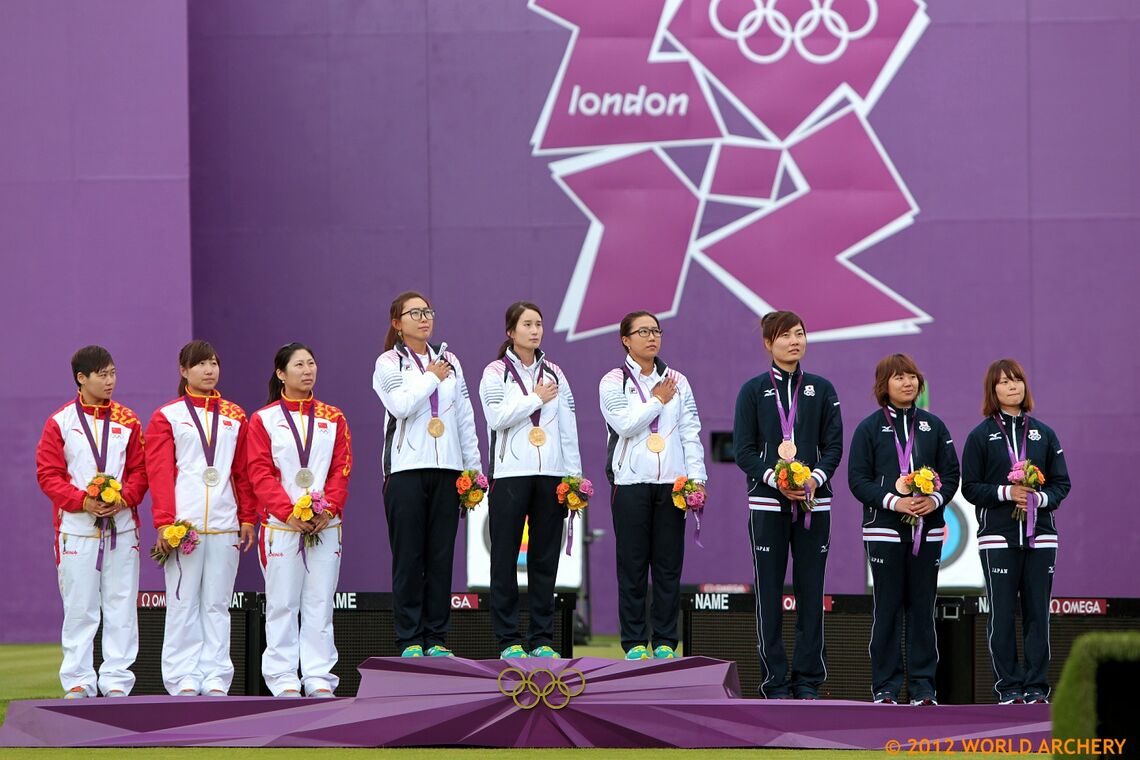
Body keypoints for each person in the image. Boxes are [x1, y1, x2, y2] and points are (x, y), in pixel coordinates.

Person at [733, 310, 842, 699]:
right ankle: (774, 681)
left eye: (800, 333)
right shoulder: (752, 390)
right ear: (768, 344)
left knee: (812, 593)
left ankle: (808, 681)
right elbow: (743, 450)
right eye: (785, 336)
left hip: (814, 504)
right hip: (767, 504)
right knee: (769, 594)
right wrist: (775, 479)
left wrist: (812, 479)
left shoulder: (822, 389)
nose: (794, 341)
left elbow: (833, 448)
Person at [372, 291, 481, 657]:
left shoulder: (451, 361)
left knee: (440, 557)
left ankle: (435, 638)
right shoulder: (388, 363)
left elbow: (464, 417)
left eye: (428, 312)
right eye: (415, 313)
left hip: (448, 470)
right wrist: (431, 377)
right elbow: (400, 406)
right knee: (409, 558)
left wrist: (474, 471)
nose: (424, 319)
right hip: (405, 471)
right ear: (397, 322)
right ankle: (408, 640)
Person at [35, 345, 148, 699]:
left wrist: (123, 498)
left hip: (122, 526)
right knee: (80, 606)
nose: (110, 381)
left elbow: (140, 473)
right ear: (81, 379)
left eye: (113, 373)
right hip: (76, 529)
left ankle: (117, 679)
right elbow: (48, 474)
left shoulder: (128, 420)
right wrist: (83, 501)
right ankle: (79, 680)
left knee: (121, 603)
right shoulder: (61, 422)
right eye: (102, 374)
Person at [146, 339, 256, 696]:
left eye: (213, 363)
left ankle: (215, 678)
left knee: (217, 604)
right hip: (184, 526)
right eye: (200, 365)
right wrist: (164, 521)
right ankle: (183, 679)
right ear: (184, 371)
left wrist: (248, 517)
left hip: (225, 525)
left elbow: (242, 472)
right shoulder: (168, 416)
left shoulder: (236, 415)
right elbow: (160, 472)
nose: (209, 370)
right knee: (182, 603)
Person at [848, 354, 959, 705]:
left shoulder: (934, 426)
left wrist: (935, 500)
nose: (908, 383)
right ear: (884, 385)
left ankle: (924, 689)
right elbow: (857, 480)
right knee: (888, 608)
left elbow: (952, 475)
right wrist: (893, 501)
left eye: (912, 376)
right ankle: (886, 688)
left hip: (926, 530)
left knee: (923, 609)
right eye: (899, 377)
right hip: (884, 530)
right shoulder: (869, 427)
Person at [599, 311, 707, 661]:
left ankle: (664, 641)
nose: (651, 337)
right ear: (625, 339)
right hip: (630, 483)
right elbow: (627, 425)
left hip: (672, 485)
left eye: (656, 331)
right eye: (642, 331)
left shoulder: (679, 380)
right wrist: (657, 399)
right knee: (632, 566)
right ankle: (633, 643)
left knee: (667, 565)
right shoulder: (613, 381)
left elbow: (691, 431)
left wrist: (697, 478)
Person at [962, 359, 1070, 705]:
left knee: (1038, 613)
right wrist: (1006, 493)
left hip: (1041, 536)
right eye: (1005, 382)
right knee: (1002, 613)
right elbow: (970, 488)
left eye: (1018, 380)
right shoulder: (981, 436)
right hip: (998, 537)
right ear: (992, 391)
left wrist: (1039, 498)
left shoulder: (1043, 433)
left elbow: (1062, 483)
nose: (1013, 387)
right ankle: (1009, 689)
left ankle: (1037, 688)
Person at [247, 343, 352, 697]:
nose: (307, 370)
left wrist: (329, 507)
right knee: (282, 603)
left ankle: (319, 676)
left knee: (320, 601)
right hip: (281, 527)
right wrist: (289, 511)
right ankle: (282, 678)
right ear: (281, 374)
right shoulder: (263, 419)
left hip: (325, 525)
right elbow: (259, 472)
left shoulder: (333, 417)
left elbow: (341, 468)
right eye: (298, 365)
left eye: (311, 363)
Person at [479, 301, 582, 659]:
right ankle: (508, 639)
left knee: (544, 560)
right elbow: (496, 417)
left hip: (551, 476)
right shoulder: (495, 372)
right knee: (504, 558)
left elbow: (568, 427)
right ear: (511, 332)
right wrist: (534, 398)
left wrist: (574, 478)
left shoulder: (555, 372)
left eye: (538, 323)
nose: (535, 330)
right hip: (510, 475)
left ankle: (541, 639)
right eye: (527, 324)